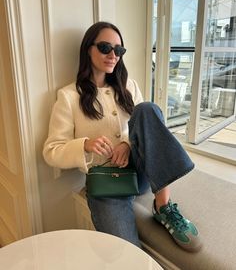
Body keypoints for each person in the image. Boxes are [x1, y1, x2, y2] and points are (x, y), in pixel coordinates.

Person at [43, 21, 201, 251]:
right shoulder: (69, 96)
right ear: (88, 48)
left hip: (140, 172)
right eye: (106, 47)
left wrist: (127, 144)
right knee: (125, 256)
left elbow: (149, 126)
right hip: (107, 184)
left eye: (119, 50)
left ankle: (163, 205)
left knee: (148, 109)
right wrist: (85, 145)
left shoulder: (128, 86)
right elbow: (51, 151)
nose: (113, 55)